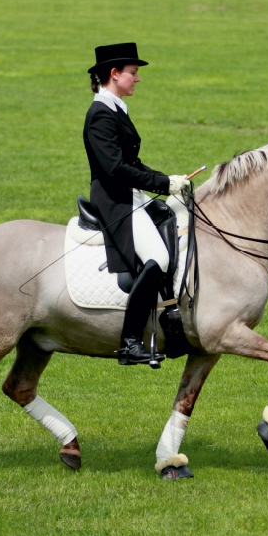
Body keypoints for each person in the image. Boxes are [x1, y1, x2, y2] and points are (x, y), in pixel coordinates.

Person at [83, 42, 190, 365]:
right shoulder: (100, 114)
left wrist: (168, 179)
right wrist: (161, 183)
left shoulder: (116, 108)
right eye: (133, 73)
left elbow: (134, 162)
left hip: (131, 195)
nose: (137, 79)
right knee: (156, 258)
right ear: (114, 74)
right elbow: (115, 168)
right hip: (114, 200)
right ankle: (130, 342)